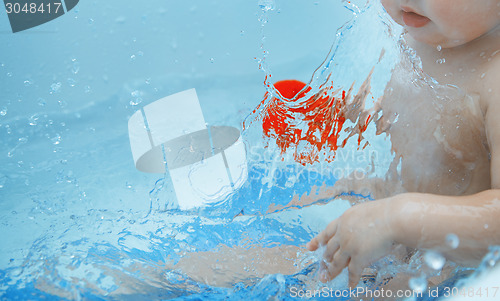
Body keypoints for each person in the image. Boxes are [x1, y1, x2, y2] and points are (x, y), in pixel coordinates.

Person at [307, 0, 500, 288]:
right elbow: (407, 122)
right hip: (387, 219)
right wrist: (346, 113)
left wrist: (397, 218)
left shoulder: (493, 77)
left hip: (447, 267)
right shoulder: (416, 33)